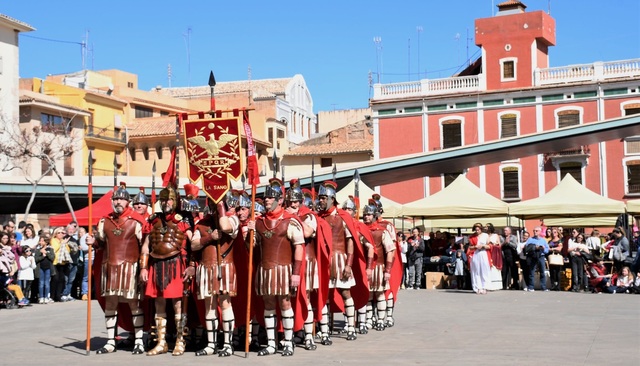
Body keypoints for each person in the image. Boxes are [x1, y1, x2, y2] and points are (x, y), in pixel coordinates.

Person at [246, 178, 305, 357]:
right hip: (265, 269)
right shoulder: (257, 221)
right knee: (268, 304)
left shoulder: (290, 221)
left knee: (285, 303)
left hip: (284, 269)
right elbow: (251, 248)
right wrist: (248, 234)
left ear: (280, 200)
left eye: (271, 197)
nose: (266, 200)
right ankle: (271, 343)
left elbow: (299, 247)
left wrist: (296, 273)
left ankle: (288, 342)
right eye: (265, 197)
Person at [86, 183, 147, 355]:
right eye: (116, 199)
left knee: (134, 305)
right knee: (111, 304)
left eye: (121, 199)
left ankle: (139, 341)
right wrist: (94, 243)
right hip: (110, 268)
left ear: (128, 201)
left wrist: (143, 268)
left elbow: (144, 247)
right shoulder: (105, 221)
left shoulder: (137, 222)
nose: (118, 201)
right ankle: (111, 342)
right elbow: (101, 243)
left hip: (130, 267)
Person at [140, 183, 194, 356]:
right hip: (156, 264)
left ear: (175, 201)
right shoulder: (153, 220)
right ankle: (161, 342)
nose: (165, 202)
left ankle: (180, 341)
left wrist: (192, 266)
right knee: (159, 303)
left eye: (168, 199)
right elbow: (146, 247)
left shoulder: (183, 220)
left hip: (176, 263)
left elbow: (193, 246)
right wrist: (143, 267)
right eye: (163, 199)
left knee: (178, 304)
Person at [191, 187, 240, 357]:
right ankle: (211, 344)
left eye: (216, 202)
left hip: (224, 265)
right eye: (211, 201)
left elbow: (225, 227)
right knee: (209, 305)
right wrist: (210, 238)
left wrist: (221, 207)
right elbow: (194, 245)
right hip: (207, 266)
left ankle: (227, 344)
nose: (213, 204)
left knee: (225, 303)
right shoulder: (203, 223)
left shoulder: (233, 219)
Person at [316, 180, 360, 342]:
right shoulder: (318, 217)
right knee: (324, 296)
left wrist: (349, 264)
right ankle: (325, 331)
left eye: (322, 198)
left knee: (345, 292)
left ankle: (350, 326)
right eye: (319, 198)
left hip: (341, 259)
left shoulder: (343, 217)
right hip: (324, 261)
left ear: (331, 198)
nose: (320, 201)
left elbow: (350, 242)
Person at [362, 201, 395, 331]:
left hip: (379, 267)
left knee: (380, 293)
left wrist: (388, 270)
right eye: (364, 215)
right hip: (366, 267)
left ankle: (381, 320)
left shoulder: (382, 231)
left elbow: (390, 251)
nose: (366, 217)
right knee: (369, 295)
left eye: (369, 215)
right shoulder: (361, 229)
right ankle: (369, 320)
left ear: (374, 216)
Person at [466, 223, 491, 294]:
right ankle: (478, 287)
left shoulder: (485, 235)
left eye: (478, 230)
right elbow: (470, 247)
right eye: (476, 230)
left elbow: (489, 246)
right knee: (476, 270)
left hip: (483, 253)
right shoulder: (472, 237)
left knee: (484, 270)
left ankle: (485, 287)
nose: (477, 231)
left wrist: (482, 246)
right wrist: (475, 247)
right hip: (475, 253)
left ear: (481, 229)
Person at [523, 226, 549, 292]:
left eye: (536, 231)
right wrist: (534, 248)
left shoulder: (543, 240)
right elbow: (527, 248)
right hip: (533, 257)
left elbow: (547, 249)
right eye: (534, 231)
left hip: (541, 256)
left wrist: (543, 249)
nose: (535, 232)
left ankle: (543, 287)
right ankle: (531, 287)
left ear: (540, 232)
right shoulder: (530, 239)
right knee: (531, 272)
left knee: (542, 272)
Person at [34, 234, 55, 304]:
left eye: (42, 241)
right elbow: (36, 259)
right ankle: (41, 297)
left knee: (47, 283)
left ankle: (46, 297)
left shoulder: (50, 249)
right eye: (40, 241)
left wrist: (46, 253)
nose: (41, 242)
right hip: (40, 268)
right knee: (41, 283)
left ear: (46, 242)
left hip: (48, 268)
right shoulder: (37, 250)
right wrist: (42, 256)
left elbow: (52, 258)